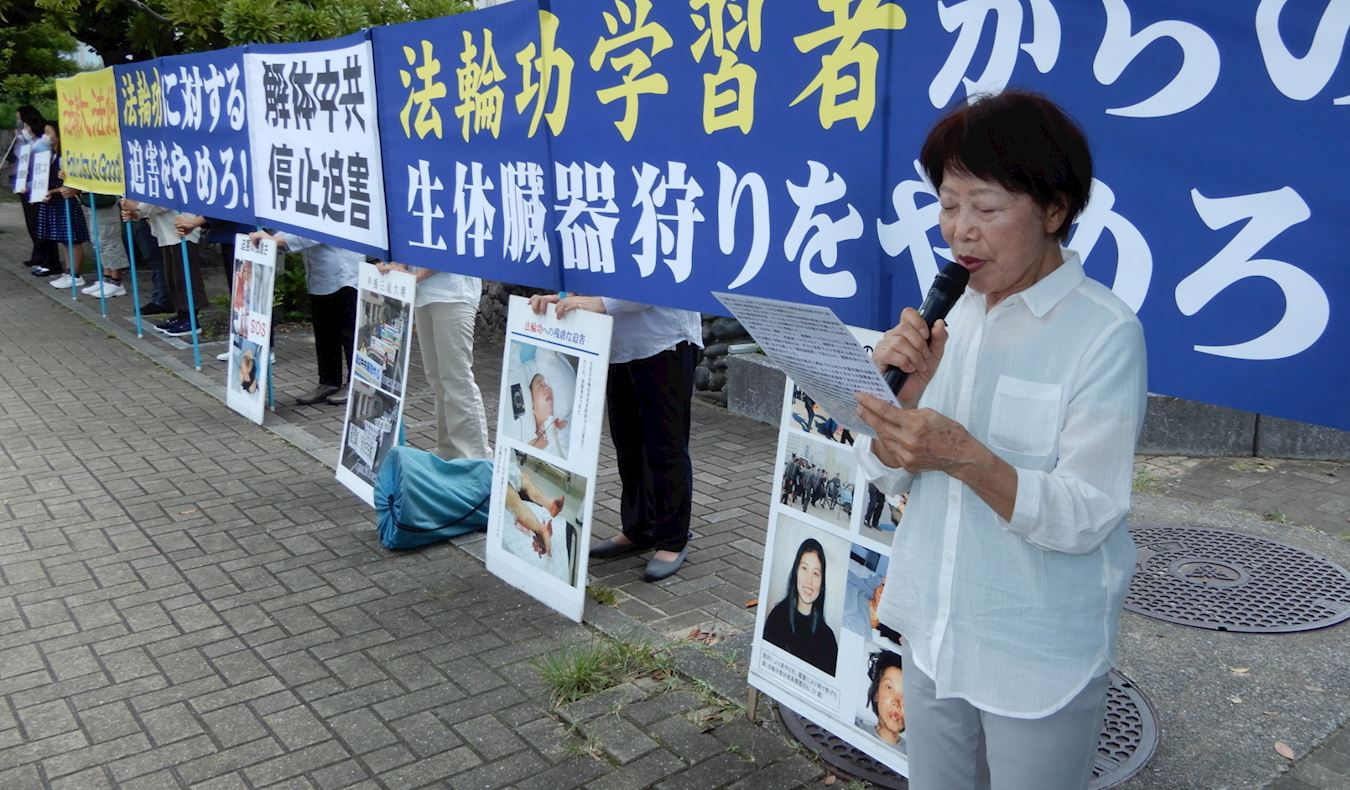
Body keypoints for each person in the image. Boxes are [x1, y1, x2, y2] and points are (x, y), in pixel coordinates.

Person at [853, 90, 1147, 790]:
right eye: (948, 206)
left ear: (1054, 210)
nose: (961, 233)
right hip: (933, 630)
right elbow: (891, 475)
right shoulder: (951, 316)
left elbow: (1087, 512)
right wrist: (901, 412)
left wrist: (965, 455)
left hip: (1035, 648)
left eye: (985, 209)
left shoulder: (1103, 333)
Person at [529, 294, 701, 582]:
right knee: (628, 444)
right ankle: (639, 528)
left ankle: (673, 539)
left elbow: (655, 279)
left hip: (663, 341)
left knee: (665, 446)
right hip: (617, 345)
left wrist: (602, 303)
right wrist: (566, 298)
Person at [377, 263, 490, 460]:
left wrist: (416, 276)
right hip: (422, 294)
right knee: (437, 378)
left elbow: (452, 246)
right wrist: (395, 265)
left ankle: (475, 459)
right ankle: (447, 450)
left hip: (453, 293)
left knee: (456, 379)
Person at [251, 231, 360, 406]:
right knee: (324, 334)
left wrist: (277, 240)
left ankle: (356, 383)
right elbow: (296, 224)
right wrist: (273, 239)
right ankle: (328, 382)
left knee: (349, 334)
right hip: (319, 275)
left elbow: (319, 230)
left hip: (343, 273)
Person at [120, 198, 205, 337]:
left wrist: (137, 207)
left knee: (185, 276)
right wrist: (136, 212)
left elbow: (165, 199)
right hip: (168, 230)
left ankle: (190, 319)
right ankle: (182, 315)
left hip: (182, 228)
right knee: (173, 277)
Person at [761, 538, 838, 675]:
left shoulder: (828, 638)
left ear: (822, 583)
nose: (809, 581)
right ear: (795, 572)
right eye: (804, 568)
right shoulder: (776, 618)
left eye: (816, 573)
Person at [35, 123, 89, 290]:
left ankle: (76, 275)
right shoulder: (51, 154)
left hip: (66, 201)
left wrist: (53, 190)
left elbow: (73, 184)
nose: (45, 136)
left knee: (72, 239)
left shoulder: (66, 156)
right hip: (55, 200)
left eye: (48, 132)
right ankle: (68, 272)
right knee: (65, 240)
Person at [14, 107, 58, 274]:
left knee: (42, 227)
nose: (20, 125)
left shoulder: (41, 144)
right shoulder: (26, 142)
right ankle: (39, 257)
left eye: (22, 121)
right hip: (27, 188)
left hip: (38, 189)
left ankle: (49, 261)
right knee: (33, 226)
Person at [865, 649, 906, 747]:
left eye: (906, 696)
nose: (896, 702)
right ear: (876, 694)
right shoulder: (857, 730)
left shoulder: (916, 757)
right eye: (889, 687)